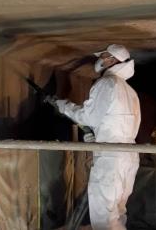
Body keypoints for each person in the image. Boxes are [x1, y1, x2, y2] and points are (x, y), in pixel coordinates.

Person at [48, 44, 141, 230]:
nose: (101, 60)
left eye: (105, 56)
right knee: (118, 213)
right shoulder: (131, 92)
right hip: (129, 156)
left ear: (114, 61)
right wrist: (96, 137)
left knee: (104, 217)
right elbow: (116, 124)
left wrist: (62, 105)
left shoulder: (106, 83)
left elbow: (87, 117)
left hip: (110, 158)